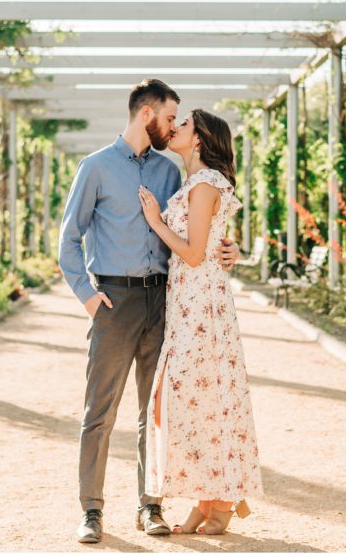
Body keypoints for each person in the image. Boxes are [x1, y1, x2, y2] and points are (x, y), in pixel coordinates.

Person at [58, 79, 240, 544]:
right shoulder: (94, 167)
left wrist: (227, 248)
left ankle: (150, 505)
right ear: (146, 114)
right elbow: (68, 239)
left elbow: (196, 223)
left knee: (154, 411)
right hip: (114, 302)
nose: (174, 125)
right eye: (169, 116)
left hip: (164, 303)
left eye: (180, 121)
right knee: (100, 410)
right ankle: (91, 511)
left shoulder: (169, 172)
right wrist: (88, 296)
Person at [137, 108, 264, 536]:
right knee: (195, 400)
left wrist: (155, 222)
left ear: (199, 138)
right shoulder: (194, 183)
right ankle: (203, 500)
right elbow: (210, 243)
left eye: (184, 124)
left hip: (202, 306)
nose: (174, 129)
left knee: (203, 397)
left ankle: (223, 501)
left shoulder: (206, 183)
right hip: (187, 303)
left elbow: (193, 253)